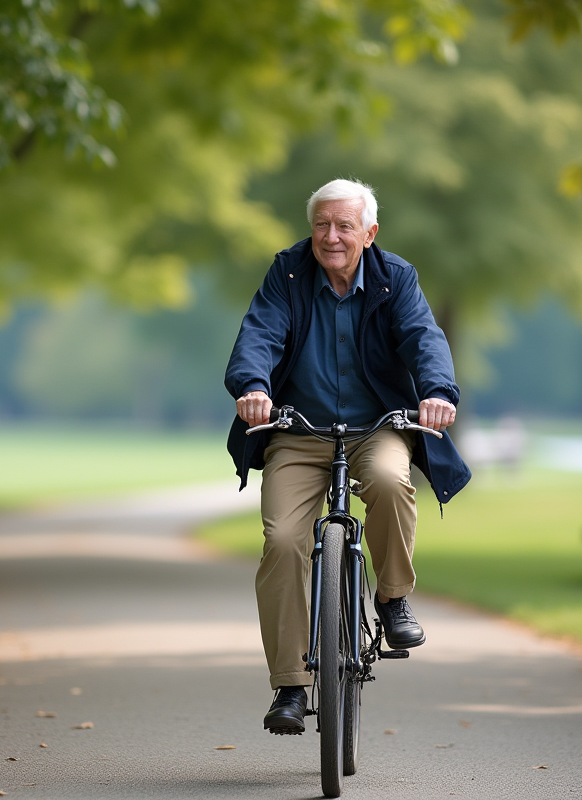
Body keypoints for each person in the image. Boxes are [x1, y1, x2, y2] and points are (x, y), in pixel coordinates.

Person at [224, 178, 471, 735]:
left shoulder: (395, 277)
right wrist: (253, 387)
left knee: (389, 481)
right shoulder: (287, 273)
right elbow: (258, 334)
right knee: (284, 540)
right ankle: (290, 685)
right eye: (321, 225)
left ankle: (391, 598)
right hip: (298, 429)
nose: (331, 237)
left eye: (344, 226)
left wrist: (436, 393)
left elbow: (422, 337)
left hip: (375, 426)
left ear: (369, 233)